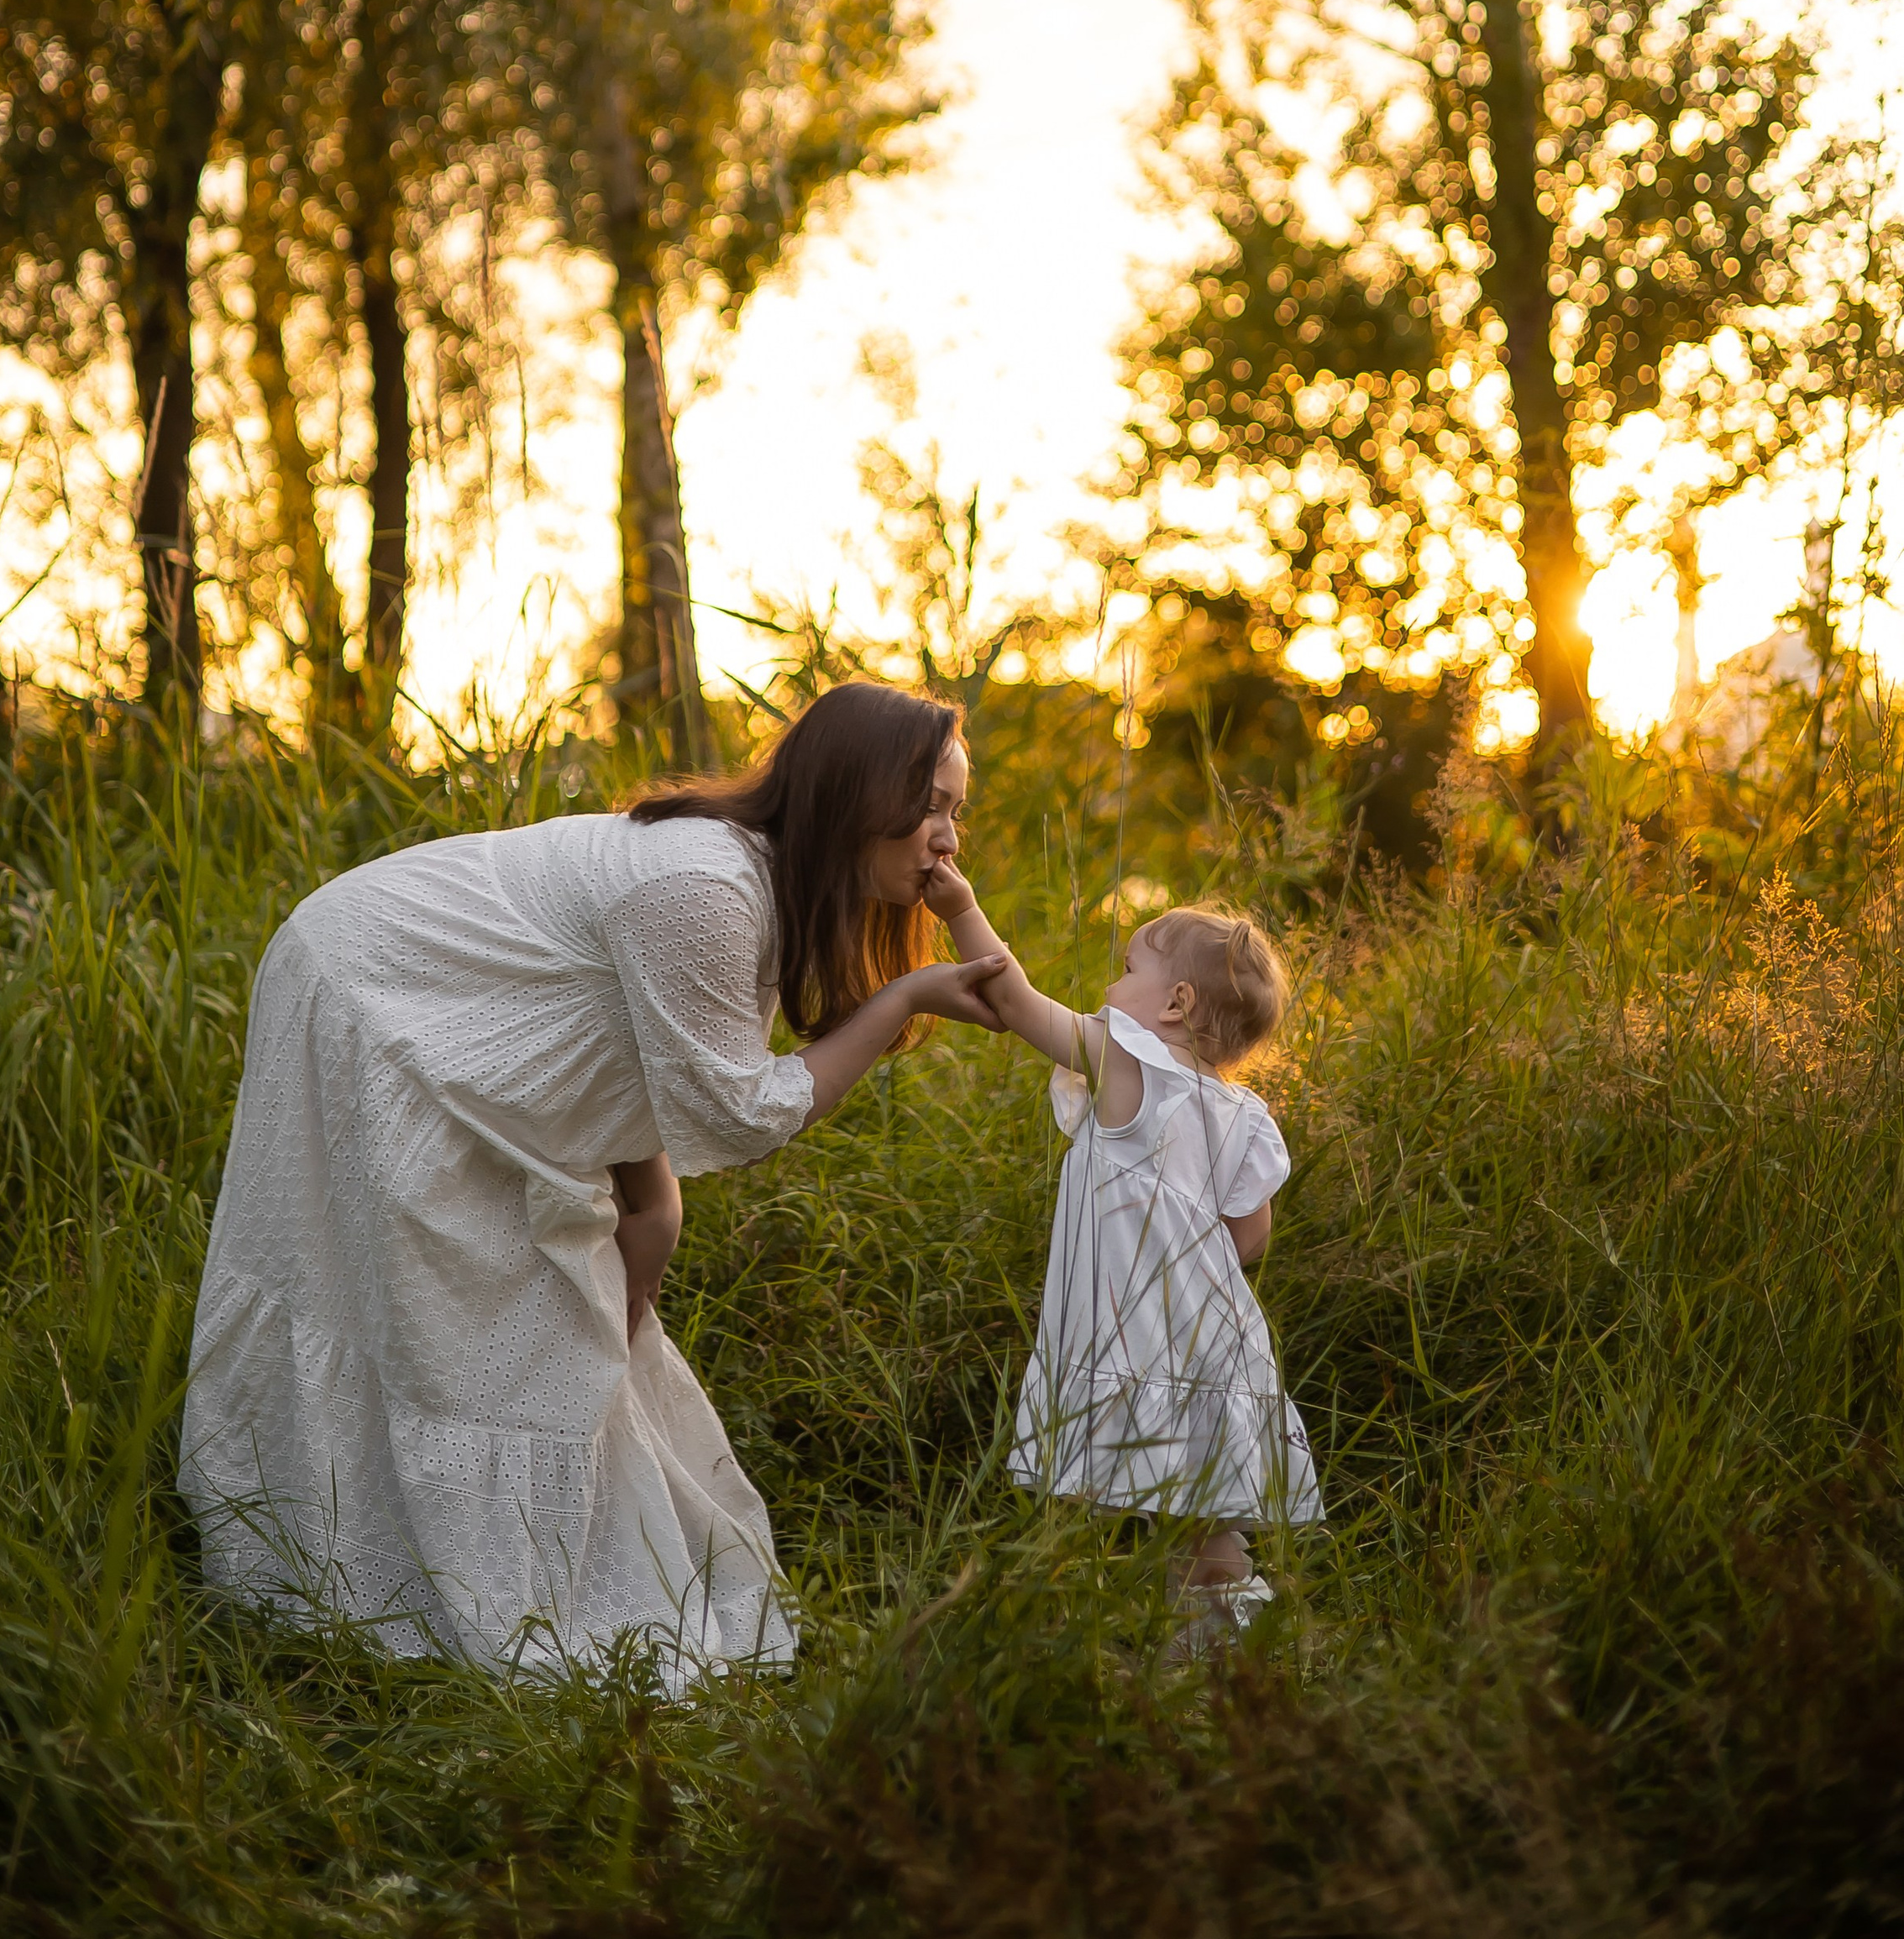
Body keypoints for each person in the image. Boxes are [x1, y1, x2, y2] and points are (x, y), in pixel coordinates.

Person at [178, 682, 1005, 1685]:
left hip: (460, 1021)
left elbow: (629, 1039)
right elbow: (739, 1113)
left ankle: (471, 1567)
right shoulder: (704, 885)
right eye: (931, 809)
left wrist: (650, 1207)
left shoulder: (750, 884)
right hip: (377, 998)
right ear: (860, 795)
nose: (947, 839)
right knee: (454, 1304)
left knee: (552, 1296)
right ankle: (364, 1580)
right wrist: (906, 998)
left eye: (957, 810)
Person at [923, 867, 1321, 1643]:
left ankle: (1070, 1644)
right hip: (1216, 1347)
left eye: (1130, 968)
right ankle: (1226, 1648)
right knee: (1204, 1528)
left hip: (1123, 1344)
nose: (1112, 981)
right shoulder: (1241, 1114)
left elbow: (1014, 1000)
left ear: (1175, 1005)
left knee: (1089, 1508)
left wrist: (963, 908)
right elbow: (1251, 1237)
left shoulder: (1124, 1062)